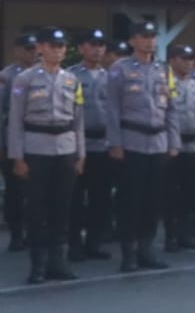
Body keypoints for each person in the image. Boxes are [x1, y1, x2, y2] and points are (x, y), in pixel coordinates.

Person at [7, 28, 85, 284]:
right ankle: (37, 265)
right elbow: (15, 121)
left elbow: (78, 120)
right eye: (53, 45)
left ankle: (57, 262)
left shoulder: (72, 80)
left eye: (62, 46)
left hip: (65, 149)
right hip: (36, 149)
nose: (59, 50)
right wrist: (17, 157)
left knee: (61, 209)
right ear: (41, 48)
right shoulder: (25, 79)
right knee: (37, 210)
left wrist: (80, 154)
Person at [105, 21, 175, 273]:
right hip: (132, 142)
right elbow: (111, 109)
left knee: (153, 201)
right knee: (130, 200)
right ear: (133, 41)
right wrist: (115, 143)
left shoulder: (163, 69)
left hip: (157, 143)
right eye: (143, 37)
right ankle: (129, 253)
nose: (149, 41)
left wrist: (172, 141)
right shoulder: (119, 69)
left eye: (152, 36)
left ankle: (147, 250)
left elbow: (171, 107)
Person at [69, 28, 115, 261]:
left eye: (101, 45)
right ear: (81, 48)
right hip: (79, 145)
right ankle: (74, 244)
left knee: (100, 198)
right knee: (75, 198)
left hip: (103, 145)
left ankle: (94, 242)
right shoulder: (70, 76)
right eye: (91, 44)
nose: (97, 49)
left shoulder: (111, 77)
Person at [165, 43, 195, 251]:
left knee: (191, 193)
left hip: (194, 144)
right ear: (172, 60)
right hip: (173, 145)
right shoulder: (164, 83)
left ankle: (185, 234)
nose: (188, 63)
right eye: (183, 59)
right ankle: (170, 236)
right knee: (171, 194)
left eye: (191, 59)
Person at [2, 30, 39, 251]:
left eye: (35, 49)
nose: (32, 53)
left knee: (38, 191)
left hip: (38, 140)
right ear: (17, 51)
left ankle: (36, 232)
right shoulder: (7, 76)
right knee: (15, 191)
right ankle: (16, 234)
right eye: (27, 49)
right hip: (13, 141)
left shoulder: (45, 74)